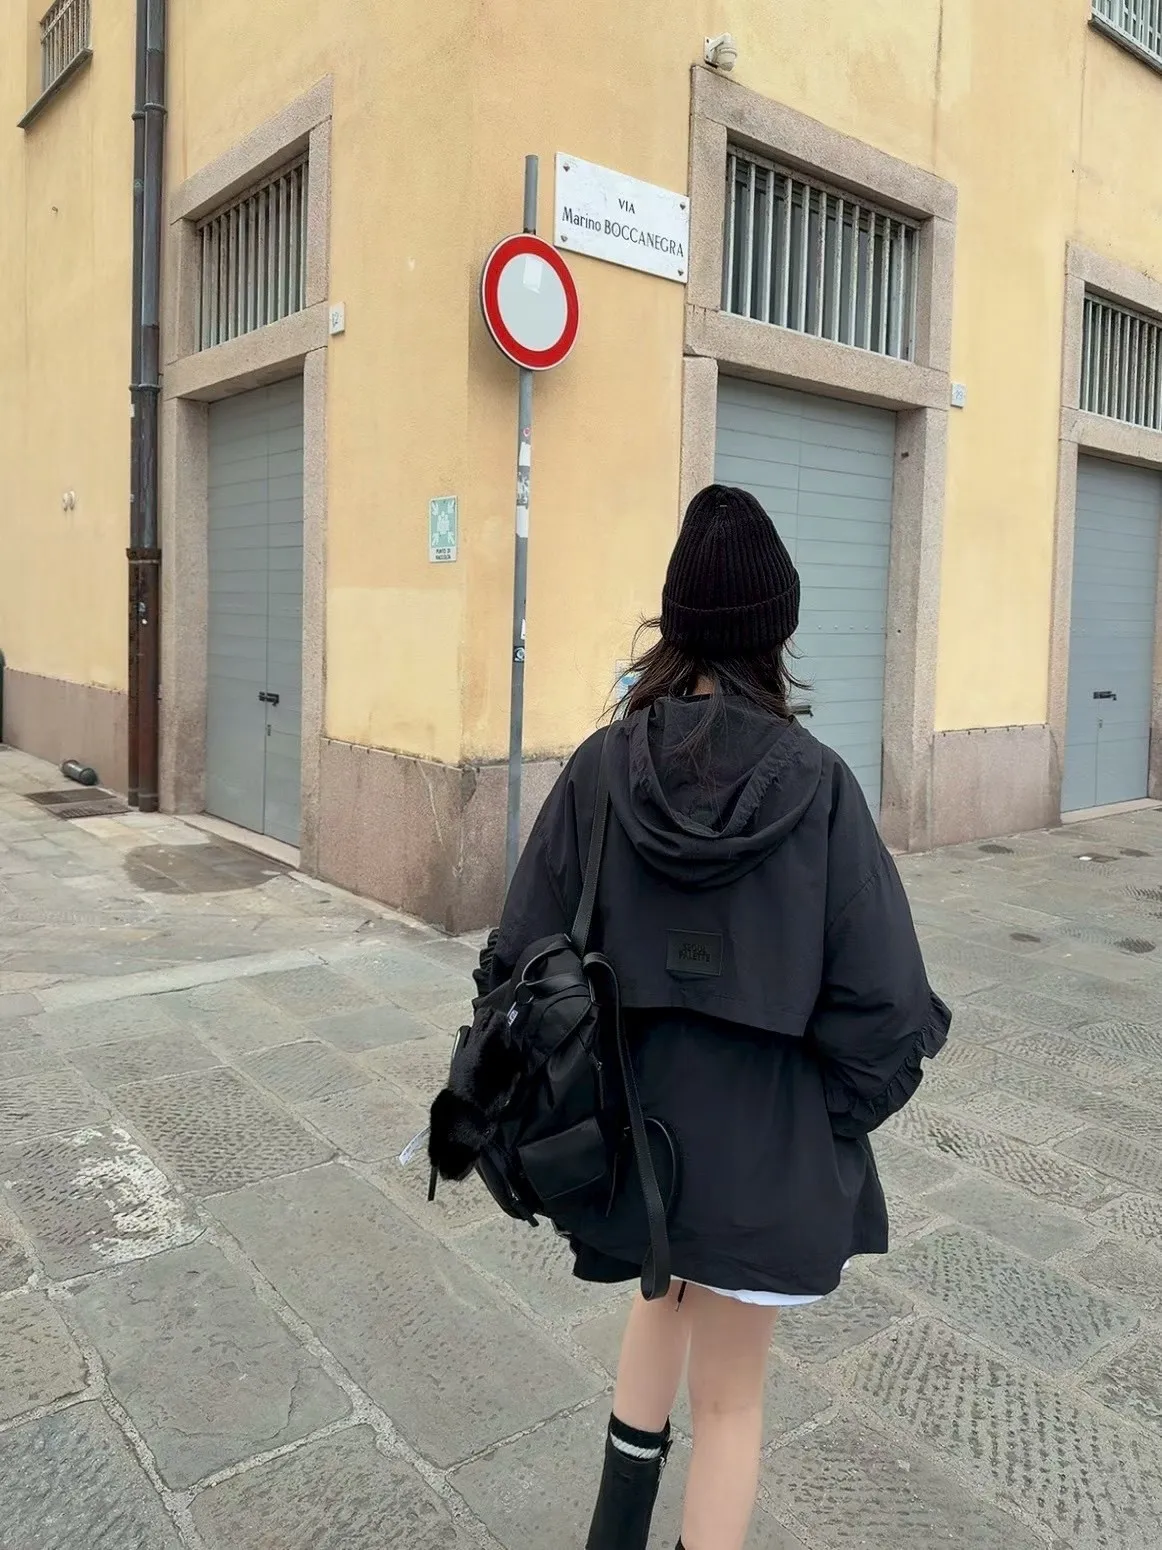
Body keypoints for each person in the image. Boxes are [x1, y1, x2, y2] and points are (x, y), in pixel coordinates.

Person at [446, 484, 950, 1550]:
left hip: (624, 1148)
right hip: (760, 1164)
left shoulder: (599, 768)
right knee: (730, 1405)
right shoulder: (820, 787)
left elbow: (514, 957)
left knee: (656, 1294)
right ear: (777, 630)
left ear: (673, 625)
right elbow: (889, 1005)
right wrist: (814, 1122)